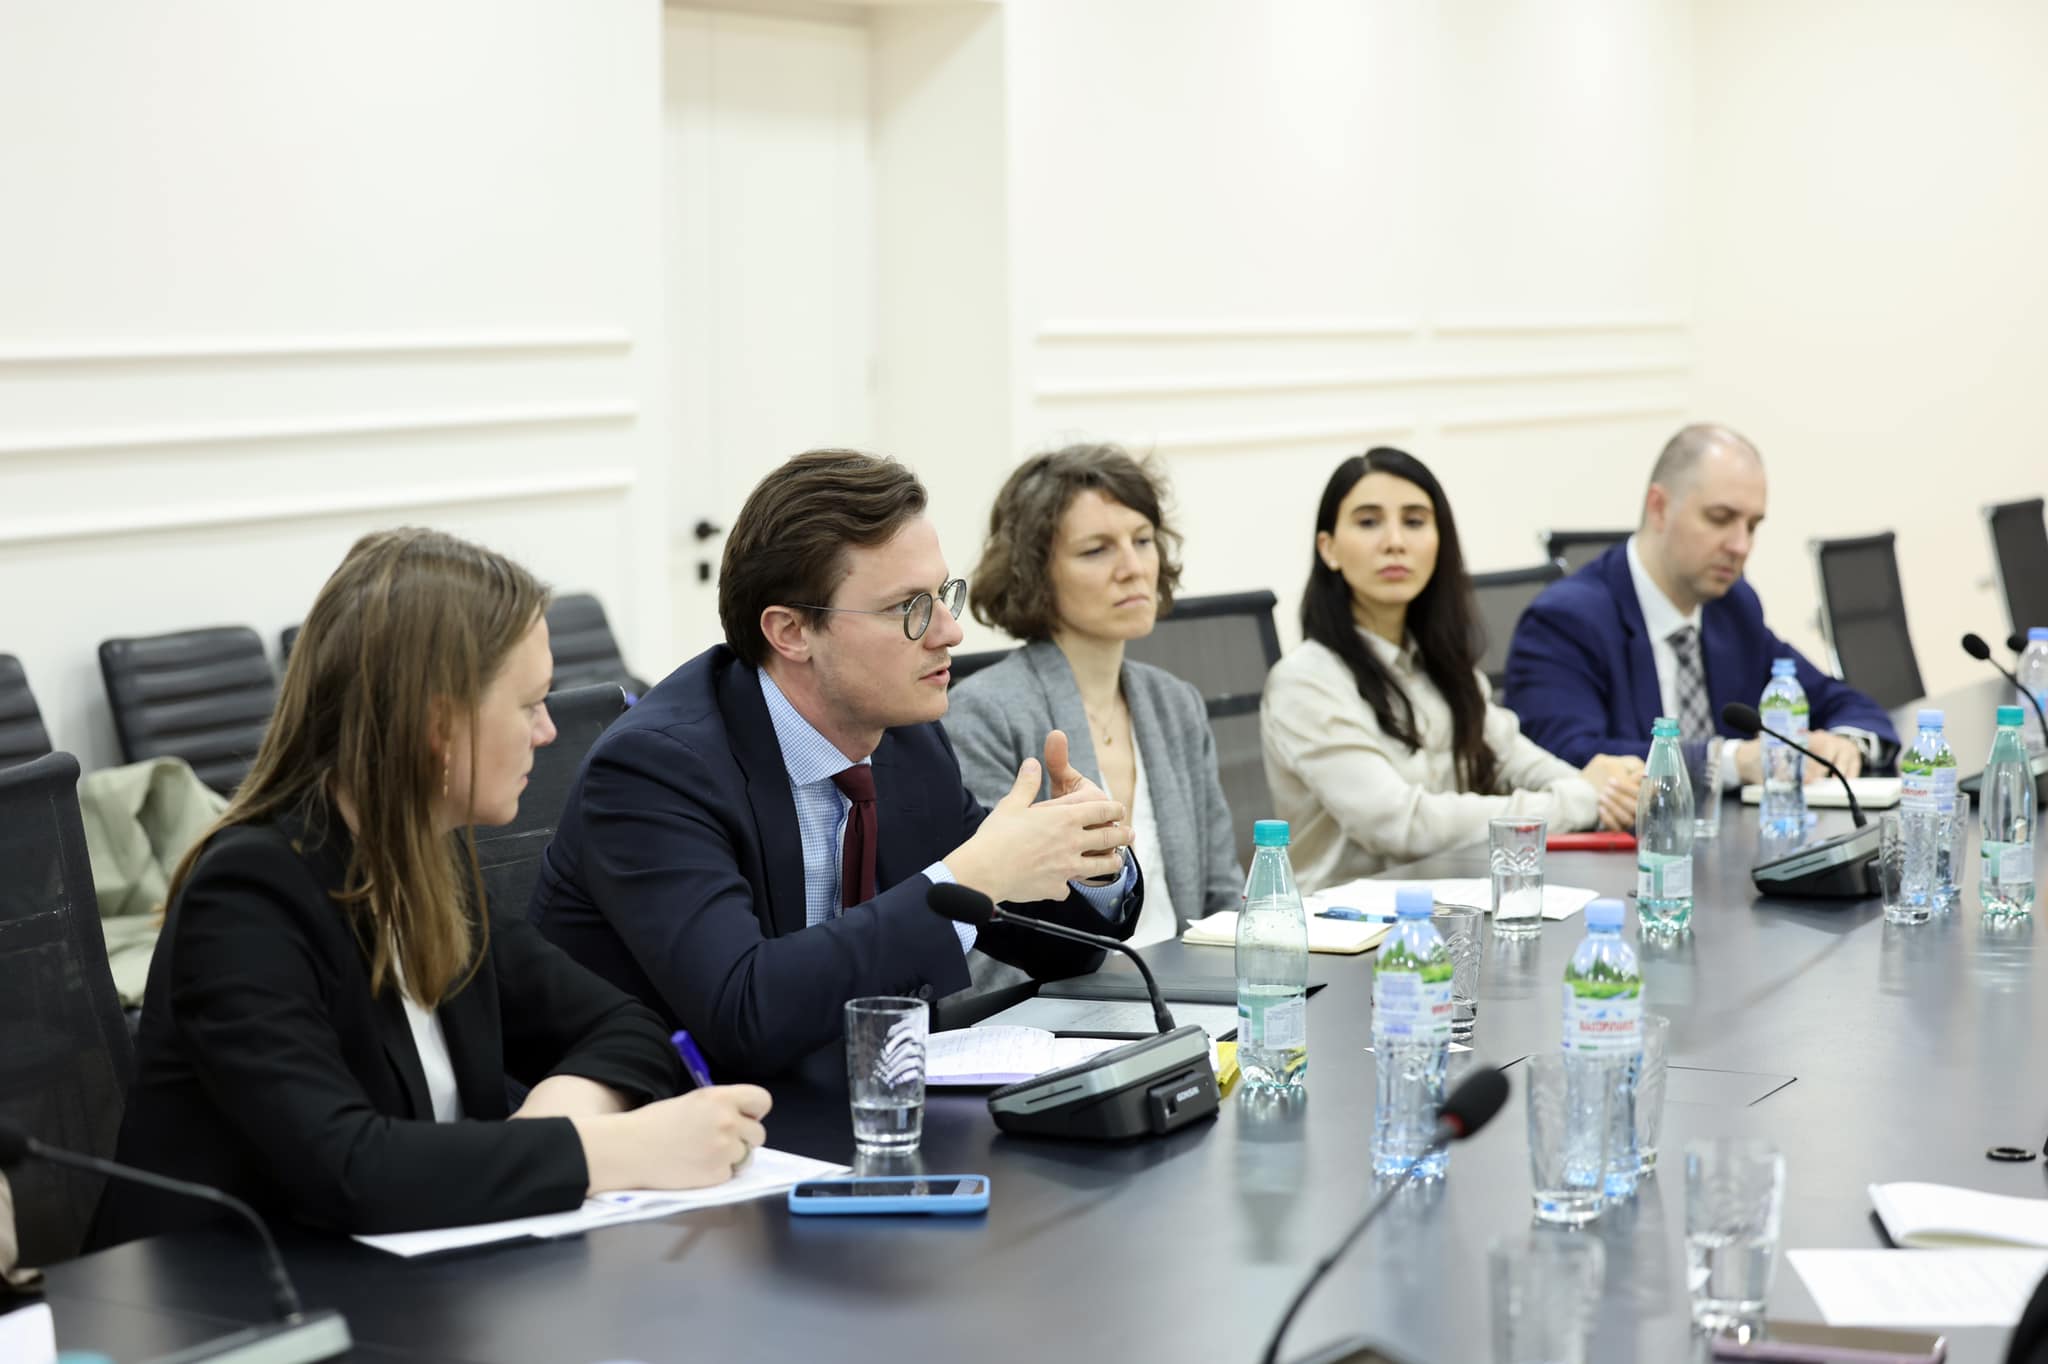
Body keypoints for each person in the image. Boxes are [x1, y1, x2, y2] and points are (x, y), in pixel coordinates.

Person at [90, 529, 771, 1247]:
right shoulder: (247, 896)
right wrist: (613, 1152)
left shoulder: (429, 862)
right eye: (529, 704)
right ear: (440, 724)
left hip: (410, 1278)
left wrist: (556, 1126)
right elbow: (346, 1167)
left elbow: (628, 1027)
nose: (547, 731)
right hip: (218, 1295)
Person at [531, 450, 1142, 1086]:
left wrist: (1083, 857)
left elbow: (1060, 951)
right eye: (907, 607)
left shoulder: (907, 740)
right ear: (791, 631)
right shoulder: (656, 771)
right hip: (670, 1123)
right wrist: (970, 877)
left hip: (864, 1104)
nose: (949, 632)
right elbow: (743, 1010)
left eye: (943, 596)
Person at [1261, 449, 1640, 890]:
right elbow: (1401, 823)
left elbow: (1515, 758)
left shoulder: (1443, 669)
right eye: (1368, 522)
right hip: (1342, 922)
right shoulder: (1305, 682)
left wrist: (1606, 790)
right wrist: (1579, 800)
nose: (1394, 542)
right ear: (1328, 549)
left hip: (1453, 904)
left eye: (1414, 521)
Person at [946, 445, 1241, 947]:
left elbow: (1223, 898)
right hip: (1063, 993)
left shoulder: (1175, 703)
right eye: (1096, 550)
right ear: (1034, 574)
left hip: (1189, 985)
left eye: (1142, 540)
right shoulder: (983, 714)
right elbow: (991, 937)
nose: (1133, 567)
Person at [1503, 423, 1898, 785]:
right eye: (1720, 518)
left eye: (1752, 526)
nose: (1741, 545)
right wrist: (1729, 762)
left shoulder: (1733, 607)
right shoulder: (1565, 621)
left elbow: (1841, 701)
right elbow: (1567, 759)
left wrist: (1844, 744)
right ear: (1659, 507)